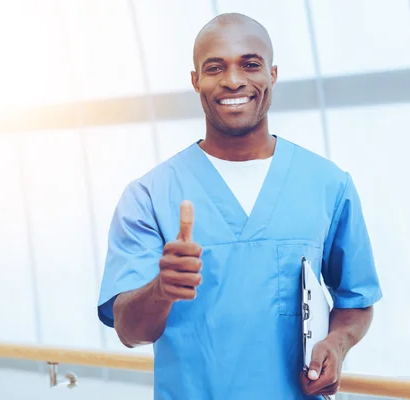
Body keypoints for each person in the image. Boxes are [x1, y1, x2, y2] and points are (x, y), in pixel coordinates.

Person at [97, 12, 382, 399]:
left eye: (250, 64)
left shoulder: (329, 185)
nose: (233, 80)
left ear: (272, 74)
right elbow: (130, 331)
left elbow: (356, 300)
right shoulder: (148, 196)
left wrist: (338, 342)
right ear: (196, 80)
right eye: (215, 67)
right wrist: (162, 288)